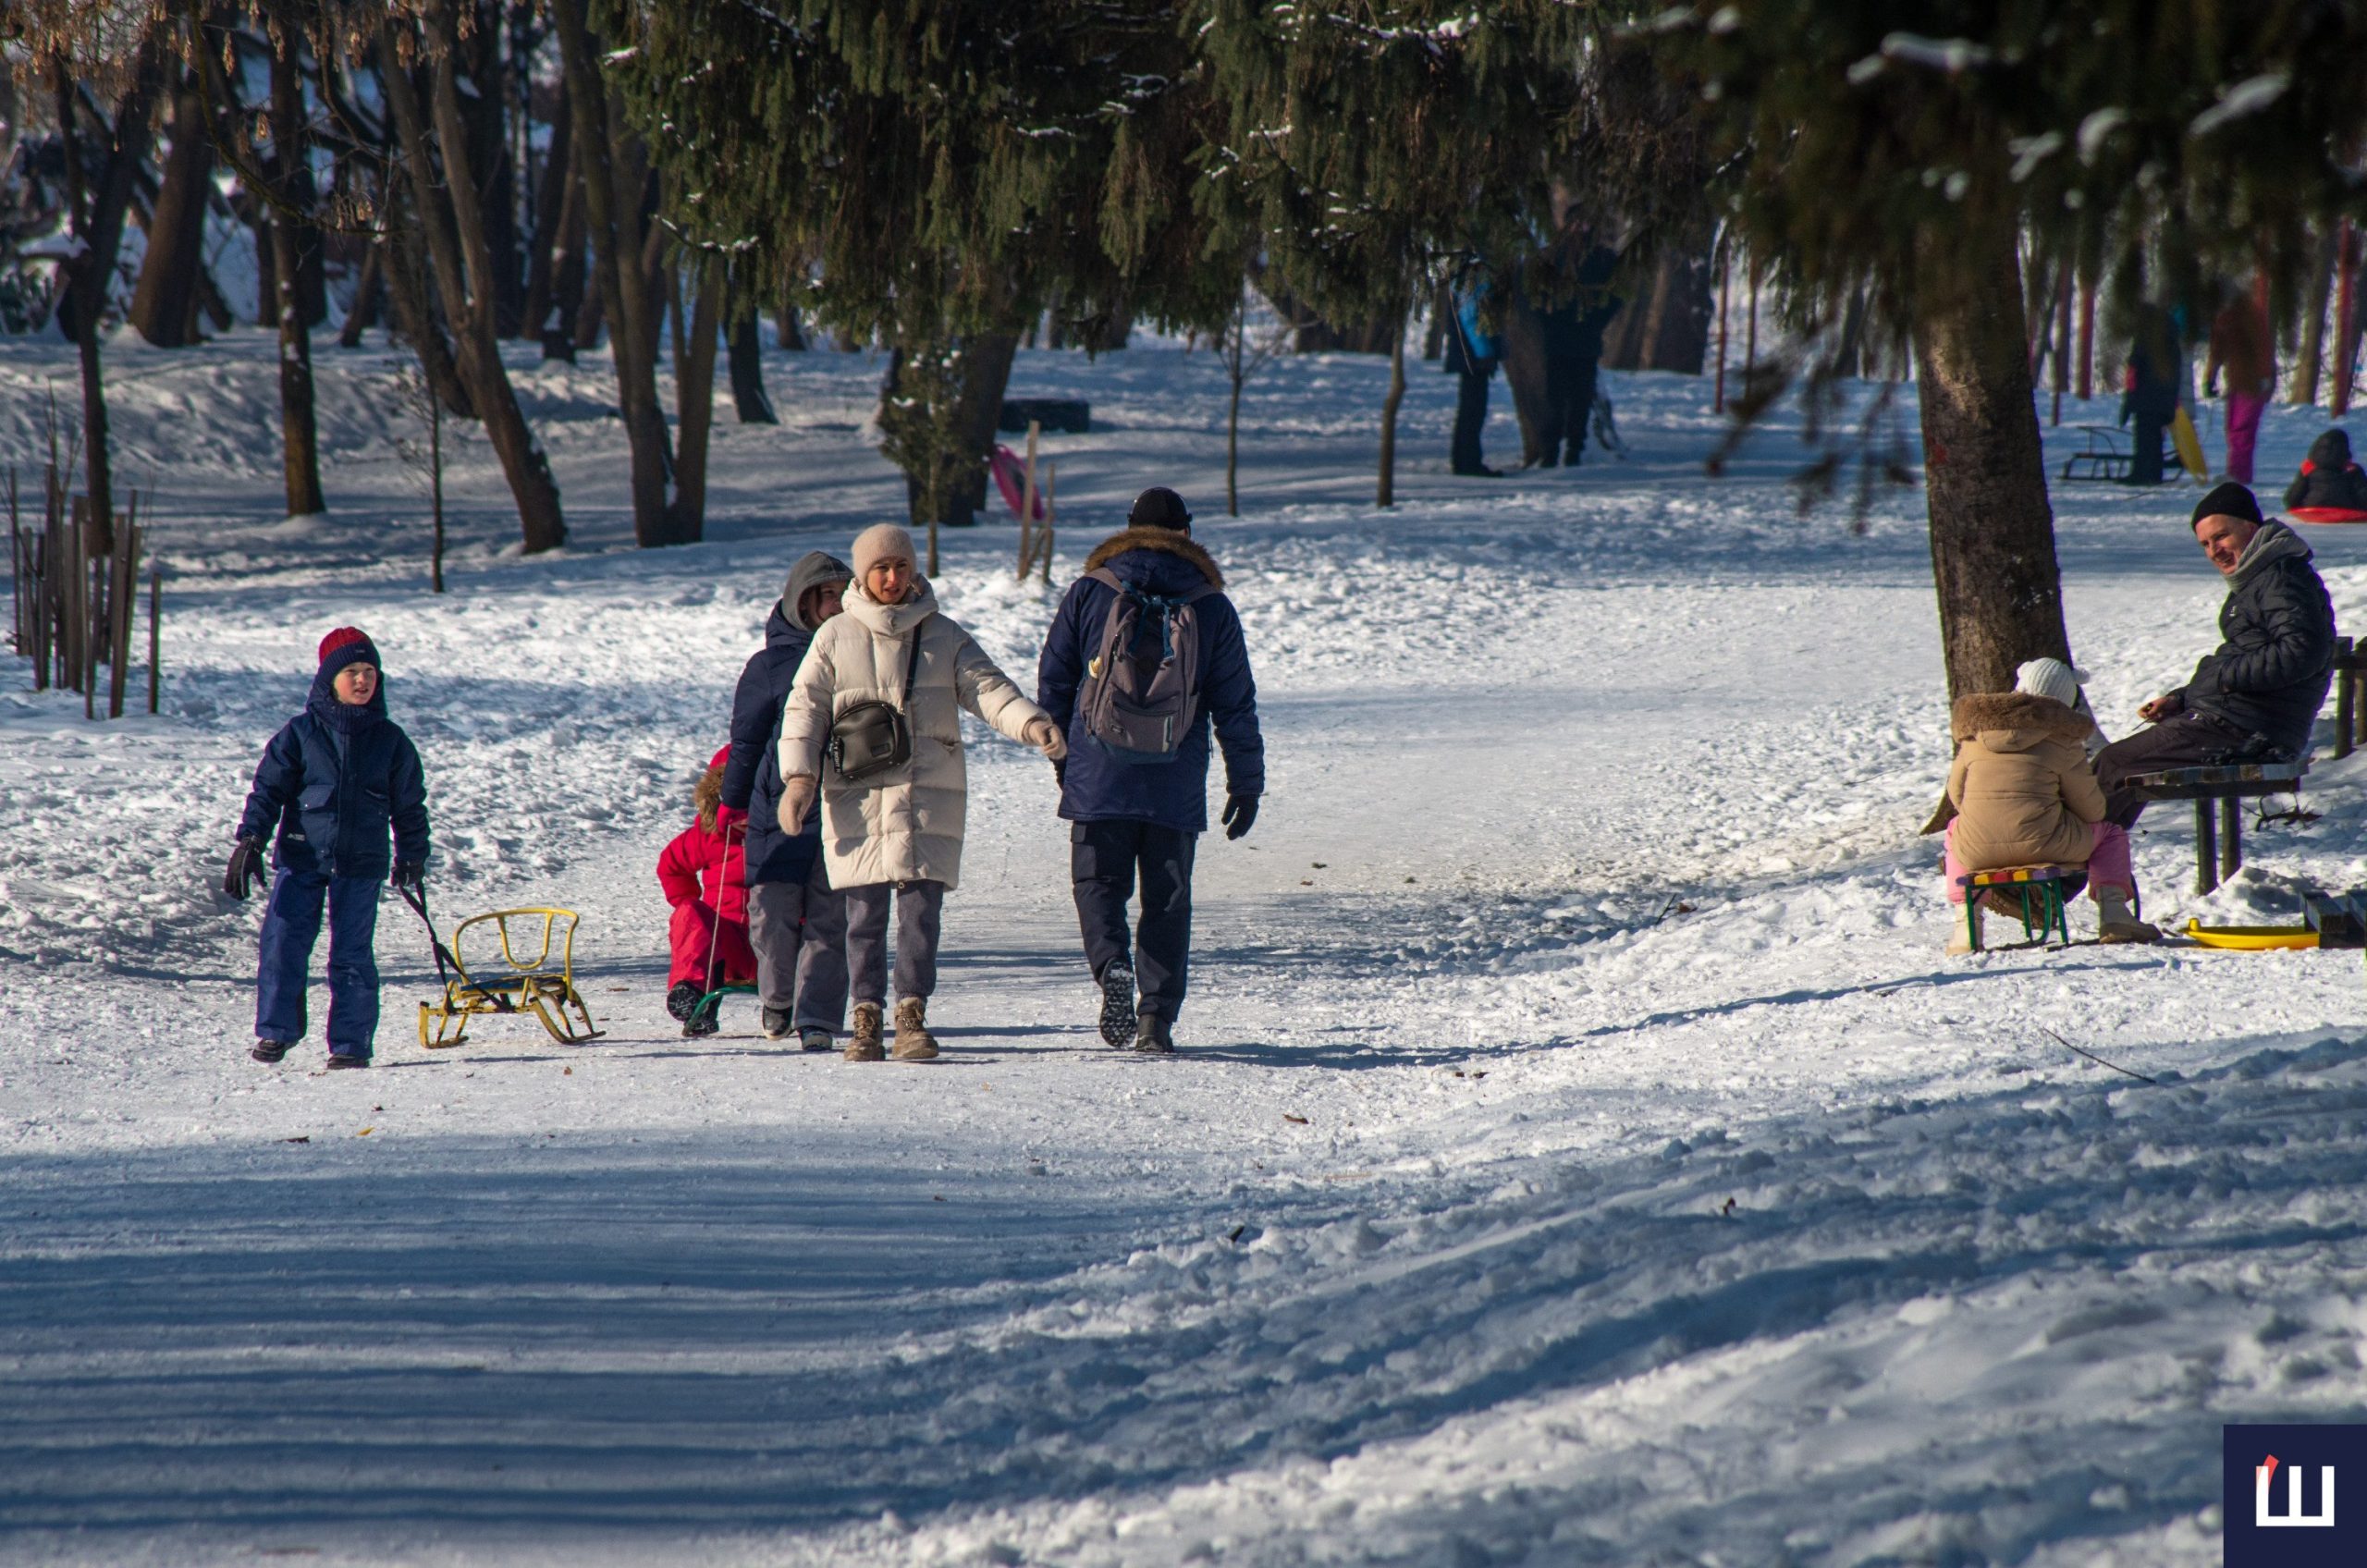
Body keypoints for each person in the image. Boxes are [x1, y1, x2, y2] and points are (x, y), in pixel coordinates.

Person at [778, 523, 1065, 1062]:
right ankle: (865, 1021)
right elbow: (805, 710)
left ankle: (911, 1018)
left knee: (920, 915)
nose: (892, 577)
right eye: (881, 568)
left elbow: (988, 689)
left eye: (901, 566)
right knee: (863, 918)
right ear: (863, 575)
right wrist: (799, 778)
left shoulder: (942, 633)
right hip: (859, 795)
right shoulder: (835, 636)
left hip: (929, 791)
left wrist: (1031, 723)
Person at [1036, 487, 1265, 1053]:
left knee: (1097, 884)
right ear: (1187, 532)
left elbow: (1055, 679)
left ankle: (1112, 965)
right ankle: (1155, 1022)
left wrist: (1065, 757)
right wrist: (1246, 782)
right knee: (1167, 899)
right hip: (1174, 777)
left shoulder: (1091, 591)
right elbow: (1235, 703)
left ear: (1129, 528)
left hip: (1099, 772)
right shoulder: (1211, 605)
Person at [226, 627, 429, 1070]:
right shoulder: (300, 734)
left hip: (361, 863)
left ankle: (350, 1044)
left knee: (352, 954)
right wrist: (251, 839)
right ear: (328, 679)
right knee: (283, 944)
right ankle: (276, 1031)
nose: (362, 680)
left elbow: (409, 805)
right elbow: (267, 791)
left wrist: (412, 853)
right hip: (302, 857)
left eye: (369, 671)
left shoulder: (391, 741)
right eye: (351, 671)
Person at [2094, 483, 2338, 824]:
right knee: (2115, 769)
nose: (2214, 551)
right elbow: (2244, 656)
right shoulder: (2259, 579)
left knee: (2112, 766)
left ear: (2250, 528)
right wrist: (2182, 698)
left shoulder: (2281, 577)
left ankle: (2073, 857)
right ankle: (2099, 858)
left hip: (2250, 731)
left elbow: (2302, 652)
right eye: (2206, 544)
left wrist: (2222, 678)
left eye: (2221, 537)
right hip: (2237, 722)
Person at [719, 550, 852, 1050]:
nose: (837, 604)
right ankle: (777, 999)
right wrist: (730, 802)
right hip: (777, 809)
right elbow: (747, 741)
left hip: (844, 807)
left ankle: (817, 1016)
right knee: (770, 912)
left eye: (844, 595)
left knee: (830, 918)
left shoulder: (862, 653)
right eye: (826, 595)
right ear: (802, 601)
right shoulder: (769, 666)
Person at [1942, 679, 2153, 950]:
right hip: (2047, 843)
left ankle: (1966, 927)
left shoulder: (1973, 740)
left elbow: (1957, 795)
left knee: (1956, 828)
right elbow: (2091, 810)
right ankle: (2114, 915)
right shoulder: (2062, 741)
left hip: (1978, 850)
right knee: (2111, 834)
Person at [657, 746, 756, 1038]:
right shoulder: (708, 837)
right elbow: (671, 866)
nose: (745, 817)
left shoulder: (783, 837)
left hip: (773, 945)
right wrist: (693, 910)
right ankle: (691, 994)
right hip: (723, 945)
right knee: (689, 914)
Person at [2205, 284, 2274, 484]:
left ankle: (2240, 474)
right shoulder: (2223, 318)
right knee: (2233, 428)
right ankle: (2236, 470)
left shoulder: (2250, 316)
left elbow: (2263, 347)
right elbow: (2217, 351)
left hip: (2252, 382)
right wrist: (2210, 377)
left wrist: (2264, 376)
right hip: (2236, 381)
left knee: (2242, 428)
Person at [1441, 274, 1502, 476]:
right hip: (1473, 356)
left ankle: (1464, 460)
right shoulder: (1474, 275)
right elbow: (1469, 315)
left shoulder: (1469, 274)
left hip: (1469, 354)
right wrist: (1484, 352)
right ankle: (1468, 462)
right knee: (1473, 410)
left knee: (1470, 409)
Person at [2120, 303, 2182, 487]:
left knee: (2144, 437)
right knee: (2156, 438)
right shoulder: (2173, 340)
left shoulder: (2144, 338)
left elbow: (2134, 369)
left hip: (2146, 398)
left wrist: (2129, 400)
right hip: (2165, 399)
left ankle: (2140, 473)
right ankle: (2155, 473)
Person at [2283, 428, 2367, 514]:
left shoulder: (2309, 467)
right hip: (2345, 508)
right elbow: (2363, 496)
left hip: (2313, 507)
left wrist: (2293, 506)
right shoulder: (2352, 469)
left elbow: (2293, 497)